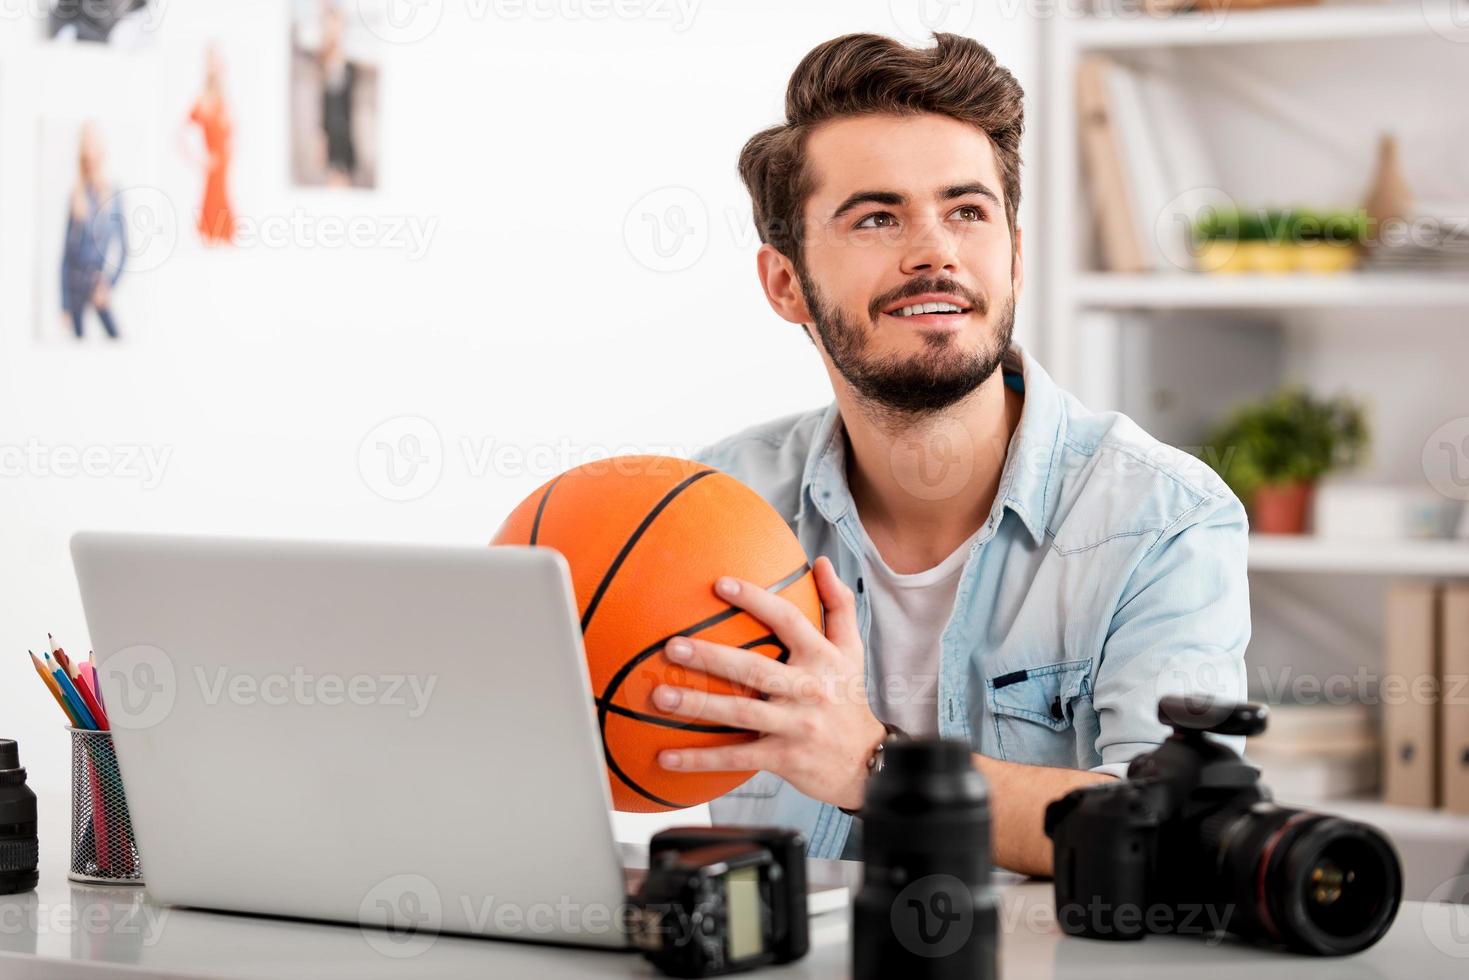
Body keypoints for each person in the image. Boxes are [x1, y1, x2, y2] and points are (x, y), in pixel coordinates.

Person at [652, 33, 1251, 876]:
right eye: (876, 217)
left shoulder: (1161, 520)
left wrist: (872, 765)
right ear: (785, 283)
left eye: (966, 211)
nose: (934, 251)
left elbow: (1174, 839)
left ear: (1012, 250)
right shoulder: (715, 504)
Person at [60, 121, 127, 340]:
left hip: (98, 283)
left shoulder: (114, 193)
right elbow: (65, 257)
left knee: (116, 339)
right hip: (75, 287)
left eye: (94, 143)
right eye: (85, 144)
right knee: (78, 346)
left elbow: (125, 250)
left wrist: (109, 284)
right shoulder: (76, 195)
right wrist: (64, 305)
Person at [184, 42, 236, 244]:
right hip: (213, 170)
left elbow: (232, 135)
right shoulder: (203, 101)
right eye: (212, 60)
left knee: (226, 233)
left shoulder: (225, 100)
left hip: (225, 169)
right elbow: (181, 134)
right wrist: (199, 158)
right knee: (213, 229)